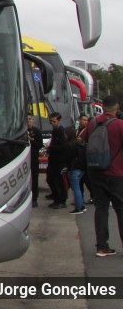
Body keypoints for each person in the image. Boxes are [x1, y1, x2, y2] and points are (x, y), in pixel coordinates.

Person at [82, 95, 123, 257]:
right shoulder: (120, 125)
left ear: (103, 107)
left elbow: (82, 140)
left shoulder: (92, 123)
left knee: (101, 209)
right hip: (116, 174)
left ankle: (102, 246)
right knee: (120, 210)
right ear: (117, 107)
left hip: (95, 173)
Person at [46, 112, 67, 209]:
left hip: (60, 160)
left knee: (59, 181)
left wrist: (51, 147)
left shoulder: (61, 131)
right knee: (50, 179)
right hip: (53, 160)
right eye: (51, 121)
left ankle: (61, 200)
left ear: (59, 121)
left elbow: (63, 147)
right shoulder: (54, 131)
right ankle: (56, 197)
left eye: (54, 121)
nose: (52, 123)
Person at [64, 126, 87, 214]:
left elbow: (68, 158)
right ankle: (81, 206)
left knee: (76, 188)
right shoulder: (80, 143)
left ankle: (79, 208)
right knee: (78, 188)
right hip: (81, 168)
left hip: (73, 168)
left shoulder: (69, 145)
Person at [76, 113, 94, 204]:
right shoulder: (77, 130)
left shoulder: (88, 131)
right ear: (79, 120)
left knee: (87, 179)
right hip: (78, 159)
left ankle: (94, 196)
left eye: (87, 120)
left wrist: (81, 142)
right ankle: (80, 198)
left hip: (86, 158)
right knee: (80, 180)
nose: (85, 122)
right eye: (83, 120)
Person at [27, 113, 43, 207]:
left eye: (30, 119)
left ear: (32, 120)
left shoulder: (36, 131)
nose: (28, 121)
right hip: (25, 159)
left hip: (34, 159)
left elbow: (39, 145)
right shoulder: (22, 131)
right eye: (27, 119)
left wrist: (31, 140)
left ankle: (34, 198)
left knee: (34, 179)